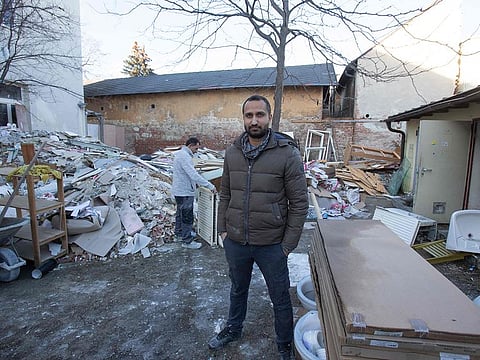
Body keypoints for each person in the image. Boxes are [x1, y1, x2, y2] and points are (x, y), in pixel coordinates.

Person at [208, 95, 308, 359]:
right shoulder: (232, 152)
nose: (254, 120)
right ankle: (233, 329)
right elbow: (226, 193)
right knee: (238, 289)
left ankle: (284, 344)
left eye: (259, 115)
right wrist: (223, 230)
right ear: (243, 118)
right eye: (249, 115)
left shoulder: (287, 153)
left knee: (280, 297)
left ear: (269, 117)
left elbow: (299, 203)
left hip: (272, 244)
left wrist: (287, 245)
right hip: (237, 241)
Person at [172, 137, 217, 249]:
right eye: (196, 148)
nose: (196, 151)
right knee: (187, 216)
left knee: (180, 214)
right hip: (185, 191)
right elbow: (193, 174)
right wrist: (209, 185)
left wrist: (194, 183)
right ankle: (187, 241)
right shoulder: (185, 157)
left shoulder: (180, 154)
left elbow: (186, 174)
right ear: (190, 145)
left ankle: (179, 234)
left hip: (179, 190)